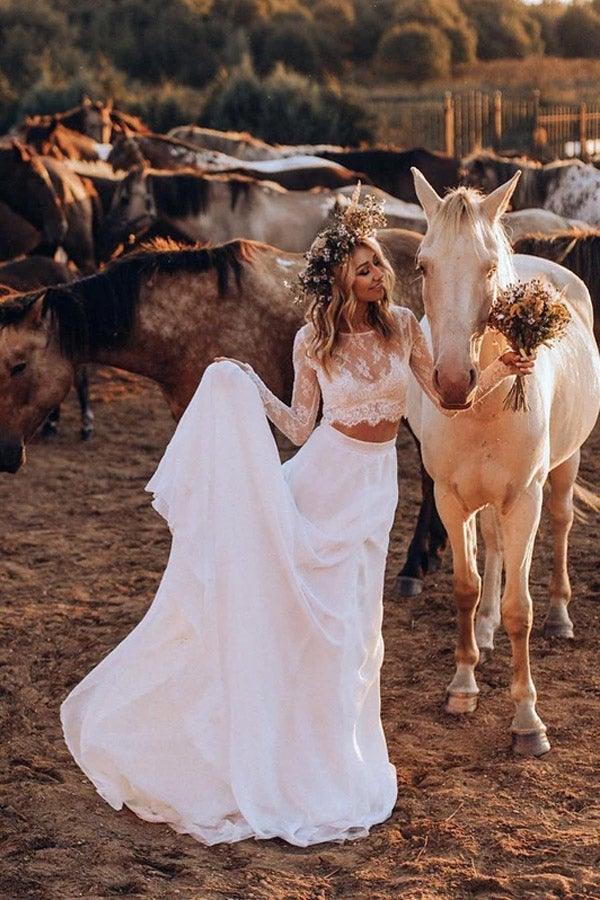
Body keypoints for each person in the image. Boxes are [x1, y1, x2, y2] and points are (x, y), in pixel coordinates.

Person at [60, 190, 533, 848]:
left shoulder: (404, 327)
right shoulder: (313, 340)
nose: (377, 276)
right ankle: (292, 755)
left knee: (357, 628)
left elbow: (447, 403)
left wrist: (499, 373)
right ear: (341, 277)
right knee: (316, 622)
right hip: (325, 477)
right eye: (364, 268)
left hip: (375, 487)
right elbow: (301, 428)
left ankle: (339, 755)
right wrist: (245, 388)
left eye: (379, 267)